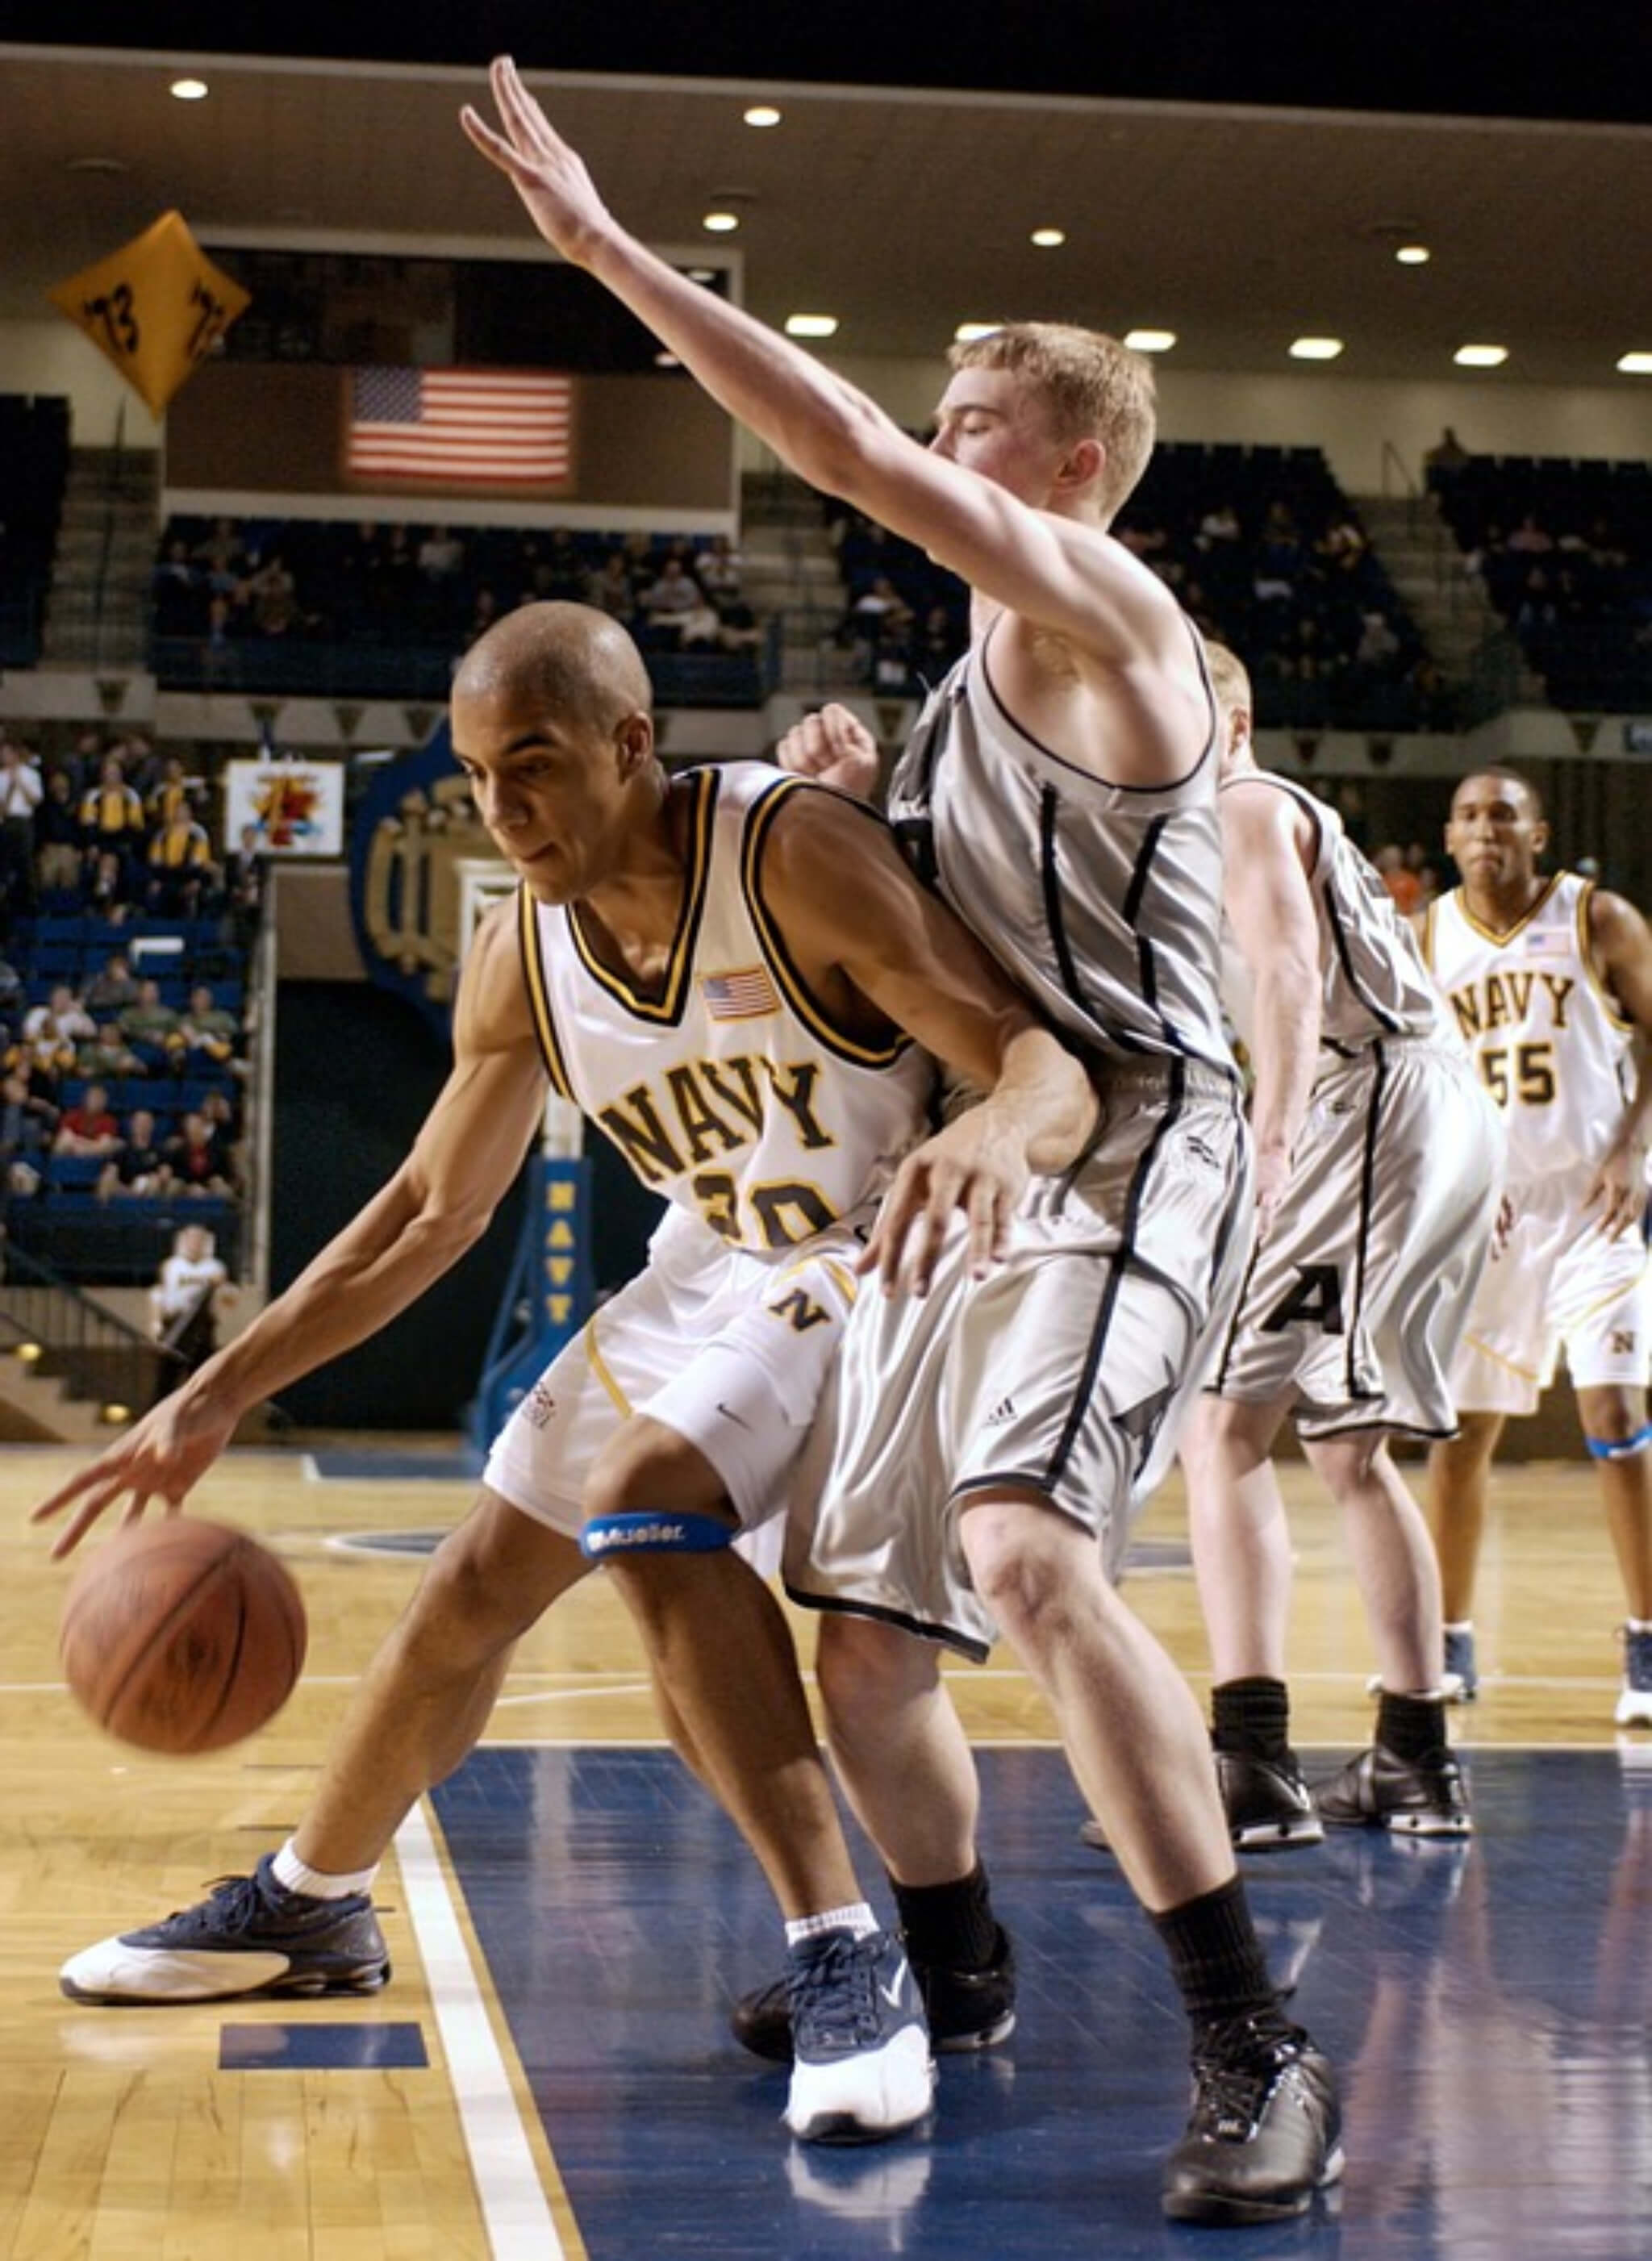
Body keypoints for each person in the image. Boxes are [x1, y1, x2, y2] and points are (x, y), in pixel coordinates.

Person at [457, 56, 1339, 2222]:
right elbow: (918, 922)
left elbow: (831, 444)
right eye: (940, 421)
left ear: (1064, 464)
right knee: (862, 1639)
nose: (925, 442)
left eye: (964, 423)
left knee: (1030, 1552)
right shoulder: (963, 694)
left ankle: (1259, 2043)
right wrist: (852, 780)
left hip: (1134, 1135)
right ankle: (957, 1969)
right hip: (990, 1152)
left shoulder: (1106, 614)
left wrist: (604, 249)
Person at [40, 599, 1095, 2154]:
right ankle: (316, 1903)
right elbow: (424, 1211)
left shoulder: (788, 851)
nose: (502, 808)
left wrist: (992, 1135)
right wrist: (216, 1391)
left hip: (882, 1247)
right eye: (474, 776)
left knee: (644, 1502)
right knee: (470, 1585)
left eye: (530, 763)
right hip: (714, 1261)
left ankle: (841, 1954)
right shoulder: (517, 947)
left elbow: (1036, 1056)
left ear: (631, 743)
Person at [1172, 643, 1502, 1848]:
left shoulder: (1245, 802)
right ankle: (1415, 1754)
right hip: (1420, 1099)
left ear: (1232, 715)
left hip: (1366, 1100)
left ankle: (1254, 1761)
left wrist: (1273, 1143)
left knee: (1225, 1424)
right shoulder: (1272, 821)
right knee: (1348, 1444)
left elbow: (1293, 977)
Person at [1421, 769, 1652, 1721]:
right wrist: (1458, 1173)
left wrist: (1633, 1149)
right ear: (1447, 836)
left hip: (1595, 1199)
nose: (1487, 829)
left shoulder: (1597, 918)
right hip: (1492, 1212)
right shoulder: (1423, 935)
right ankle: (1446, 1639)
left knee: (1609, 1407)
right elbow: (1420, 1076)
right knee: (1461, 1433)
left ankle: (1643, 1640)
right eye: (1470, 815)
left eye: (1503, 814)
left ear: (1538, 832)